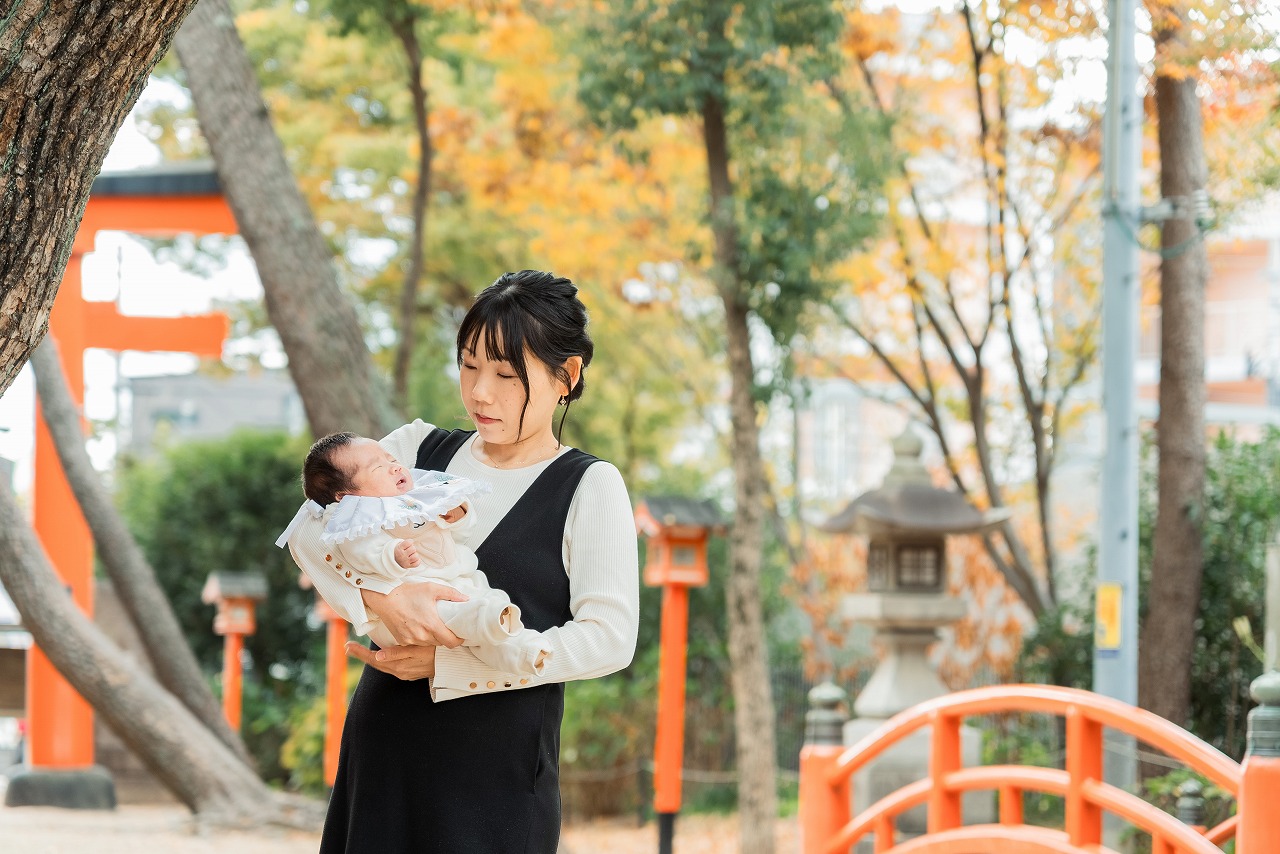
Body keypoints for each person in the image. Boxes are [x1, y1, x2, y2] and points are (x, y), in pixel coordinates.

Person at [277, 270, 639, 854]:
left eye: (505, 374)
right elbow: (307, 533)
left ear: (566, 377)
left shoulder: (589, 487)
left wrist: (456, 667)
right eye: (469, 365)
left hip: (496, 781)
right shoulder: (414, 449)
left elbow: (610, 640)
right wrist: (381, 600)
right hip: (386, 753)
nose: (479, 393)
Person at [295, 431, 550, 676]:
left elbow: (459, 536)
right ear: (346, 496)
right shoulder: (359, 518)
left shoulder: (416, 494)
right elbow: (360, 552)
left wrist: (457, 516)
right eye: (378, 468)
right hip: (419, 593)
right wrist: (392, 556)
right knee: (455, 612)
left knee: (487, 601)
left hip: (458, 576)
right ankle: (488, 620)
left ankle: (526, 651)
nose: (394, 467)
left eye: (392, 459)